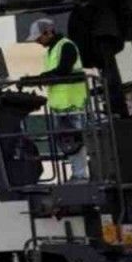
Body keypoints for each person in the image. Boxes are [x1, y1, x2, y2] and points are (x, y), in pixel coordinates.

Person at [29, 18, 90, 181]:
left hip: (73, 104)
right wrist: (40, 79)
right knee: (67, 143)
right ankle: (77, 174)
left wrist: (41, 78)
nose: (37, 42)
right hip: (60, 105)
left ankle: (80, 176)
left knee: (75, 142)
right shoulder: (51, 51)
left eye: (39, 38)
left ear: (48, 32)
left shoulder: (66, 46)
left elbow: (63, 70)